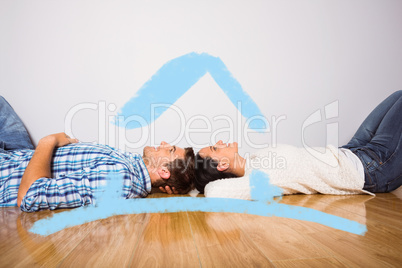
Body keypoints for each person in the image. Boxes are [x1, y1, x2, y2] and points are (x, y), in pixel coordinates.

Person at [0, 96, 195, 212]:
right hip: (20, 155)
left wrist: (48, 141)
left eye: (170, 150)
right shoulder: (132, 165)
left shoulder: (120, 178)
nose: (163, 143)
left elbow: (28, 196)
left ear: (163, 171)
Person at [194, 91, 402, 196]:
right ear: (222, 165)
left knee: (398, 95)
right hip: (373, 166)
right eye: (215, 148)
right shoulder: (259, 179)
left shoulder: (253, 161)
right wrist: (195, 182)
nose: (219, 142)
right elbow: (214, 192)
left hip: (351, 150)